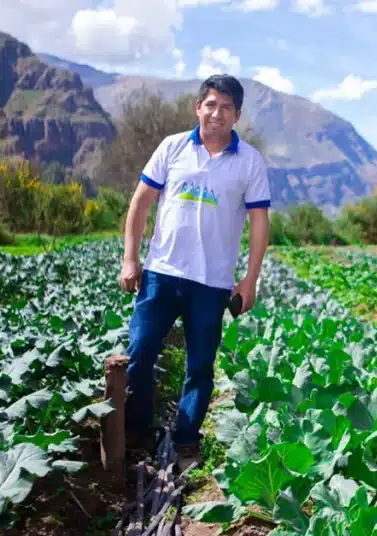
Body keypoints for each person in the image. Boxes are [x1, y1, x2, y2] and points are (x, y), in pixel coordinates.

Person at [116, 74, 270, 470]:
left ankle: (186, 440)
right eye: (211, 104)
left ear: (237, 115)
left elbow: (259, 223)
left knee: (200, 366)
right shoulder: (172, 147)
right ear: (198, 107)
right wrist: (130, 258)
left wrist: (249, 278)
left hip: (211, 282)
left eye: (227, 108)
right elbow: (140, 202)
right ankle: (139, 434)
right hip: (161, 273)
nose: (217, 113)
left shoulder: (250, 161)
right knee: (141, 352)